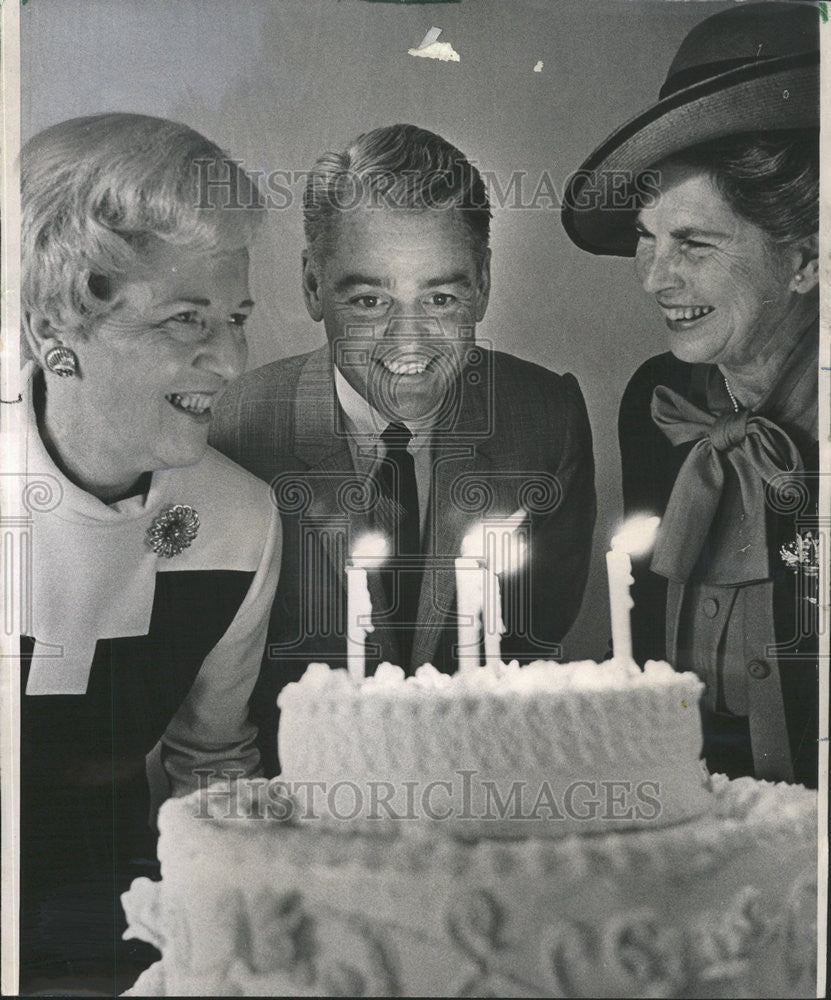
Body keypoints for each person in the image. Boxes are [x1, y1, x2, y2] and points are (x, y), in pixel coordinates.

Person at [211, 123, 596, 775]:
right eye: (368, 300)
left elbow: (536, 638)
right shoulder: (234, 431)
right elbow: (212, 708)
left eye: (441, 298)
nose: (409, 340)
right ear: (312, 286)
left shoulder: (545, 420)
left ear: (482, 282)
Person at [17, 113, 282, 993]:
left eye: (236, 318)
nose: (232, 358)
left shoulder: (240, 517)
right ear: (59, 323)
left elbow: (211, 769)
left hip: (125, 936)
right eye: (186, 320)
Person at [561, 2, 819, 787]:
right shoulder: (658, 404)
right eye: (647, 235)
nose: (653, 276)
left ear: (806, 260)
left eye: (693, 244)